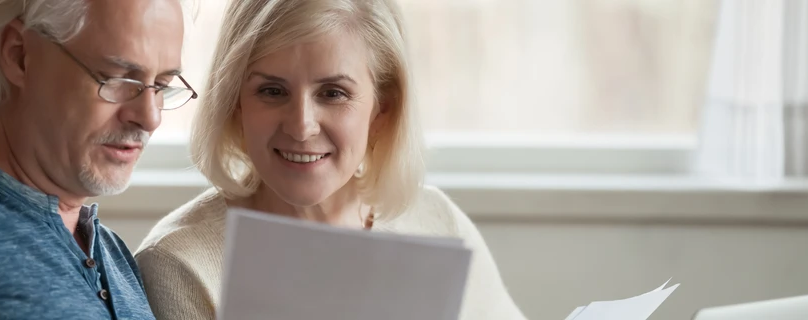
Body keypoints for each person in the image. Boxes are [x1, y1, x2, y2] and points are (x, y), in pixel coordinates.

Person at [135, 0, 528, 319]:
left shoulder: (437, 222)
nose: (301, 126)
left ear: (382, 108)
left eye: (333, 93)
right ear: (235, 103)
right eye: (272, 91)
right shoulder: (180, 264)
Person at [0, 0, 195, 319]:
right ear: (19, 55)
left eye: (161, 86)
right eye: (117, 79)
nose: (150, 117)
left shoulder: (114, 255)